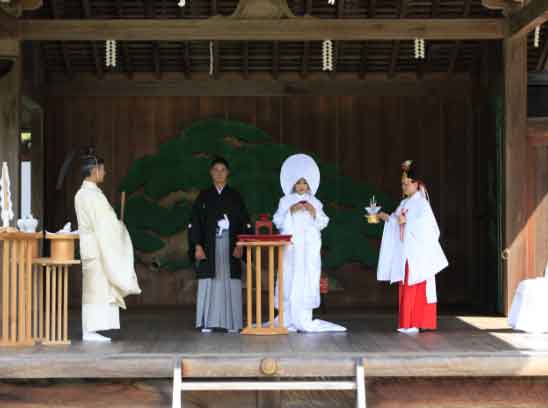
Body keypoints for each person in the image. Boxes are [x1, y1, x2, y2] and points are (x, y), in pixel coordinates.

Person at [272, 154, 346, 333]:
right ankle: (287, 318)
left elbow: (323, 222)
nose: (301, 186)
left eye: (304, 183)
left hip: (308, 251)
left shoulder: (315, 201)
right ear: (292, 184)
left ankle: (304, 317)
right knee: (288, 280)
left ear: (309, 184)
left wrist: (313, 212)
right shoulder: (285, 201)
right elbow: (278, 221)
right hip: (291, 250)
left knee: (307, 280)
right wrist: (290, 210)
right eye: (298, 183)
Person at [74, 148, 141, 342]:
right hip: (97, 248)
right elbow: (105, 225)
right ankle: (92, 330)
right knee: (97, 289)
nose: (105, 173)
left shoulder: (84, 194)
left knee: (96, 289)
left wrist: (115, 225)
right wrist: (118, 227)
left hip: (92, 247)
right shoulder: (92, 196)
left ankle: (93, 329)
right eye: (102, 169)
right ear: (94, 171)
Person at [377, 160, 448, 334]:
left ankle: (412, 322)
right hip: (406, 251)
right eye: (403, 184)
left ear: (417, 184)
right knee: (407, 285)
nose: (405, 187)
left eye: (408, 184)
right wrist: (385, 217)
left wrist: (407, 223)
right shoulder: (404, 203)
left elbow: (430, 229)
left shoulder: (422, 204)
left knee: (414, 286)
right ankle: (409, 322)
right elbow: (396, 221)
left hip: (417, 253)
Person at [189, 157, 251, 333]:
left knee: (229, 281)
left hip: (230, 244)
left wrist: (240, 245)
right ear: (211, 173)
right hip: (209, 244)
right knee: (210, 280)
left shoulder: (235, 196)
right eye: (215, 170)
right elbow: (195, 221)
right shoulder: (204, 196)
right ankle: (208, 322)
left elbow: (244, 221)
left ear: (228, 173)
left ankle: (232, 323)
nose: (219, 173)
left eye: (222, 169)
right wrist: (197, 246)